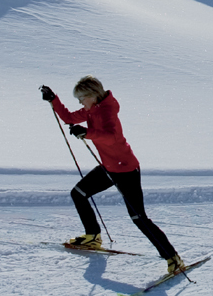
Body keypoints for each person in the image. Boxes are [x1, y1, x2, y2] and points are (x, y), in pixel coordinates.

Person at [41, 76, 186, 277]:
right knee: (78, 193)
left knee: (138, 218)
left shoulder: (107, 111)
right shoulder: (91, 109)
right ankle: (92, 236)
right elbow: (69, 118)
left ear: (92, 95)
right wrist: (53, 99)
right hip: (109, 168)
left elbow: (111, 137)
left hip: (126, 170)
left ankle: (173, 258)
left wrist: (87, 133)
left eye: (82, 98)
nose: (80, 103)